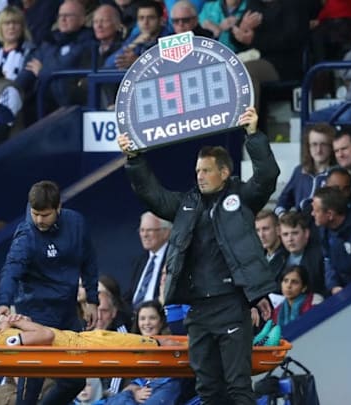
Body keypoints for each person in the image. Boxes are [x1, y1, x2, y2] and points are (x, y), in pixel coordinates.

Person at [117, 106, 279, 404]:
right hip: (198, 312)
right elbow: (153, 196)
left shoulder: (242, 198)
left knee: (238, 388)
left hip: (231, 305)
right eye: (197, 171)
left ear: (224, 172)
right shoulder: (185, 205)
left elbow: (268, 176)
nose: (199, 175)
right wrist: (134, 159)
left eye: (206, 170)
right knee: (208, 391)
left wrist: (253, 135)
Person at [0, 180, 99, 405]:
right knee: (31, 386)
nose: (39, 220)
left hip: (67, 312)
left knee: (75, 381)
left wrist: (92, 299)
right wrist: (4, 301)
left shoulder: (76, 223)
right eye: (35, 213)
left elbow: (89, 262)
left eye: (45, 215)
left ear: (59, 207)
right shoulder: (25, 236)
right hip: (35, 315)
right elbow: (11, 270)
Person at [0, 313, 163, 347]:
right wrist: (19, 325)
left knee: (157, 343)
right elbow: (47, 335)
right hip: (83, 346)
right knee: (156, 345)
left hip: (83, 338)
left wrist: (19, 321)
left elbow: (42, 330)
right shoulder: (0, 343)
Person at [274, 123, 335, 217]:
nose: (318, 150)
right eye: (314, 144)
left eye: (324, 145)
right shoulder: (299, 171)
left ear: (331, 147)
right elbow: (283, 201)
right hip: (300, 226)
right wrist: (282, 215)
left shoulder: (337, 174)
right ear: (308, 147)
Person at [311, 186, 351, 295]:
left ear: (329, 215)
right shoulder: (323, 227)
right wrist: (333, 286)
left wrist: (349, 293)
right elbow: (328, 259)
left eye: (316, 210)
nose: (312, 214)